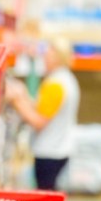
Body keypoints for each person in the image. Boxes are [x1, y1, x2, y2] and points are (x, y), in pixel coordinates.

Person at [5, 36, 81, 191]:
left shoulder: (55, 85)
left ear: (57, 58)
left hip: (50, 151)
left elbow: (39, 121)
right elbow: (42, 109)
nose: (44, 59)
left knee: (47, 195)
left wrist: (16, 101)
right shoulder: (65, 79)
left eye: (47, 55)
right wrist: (24, 96)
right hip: (58, 149)